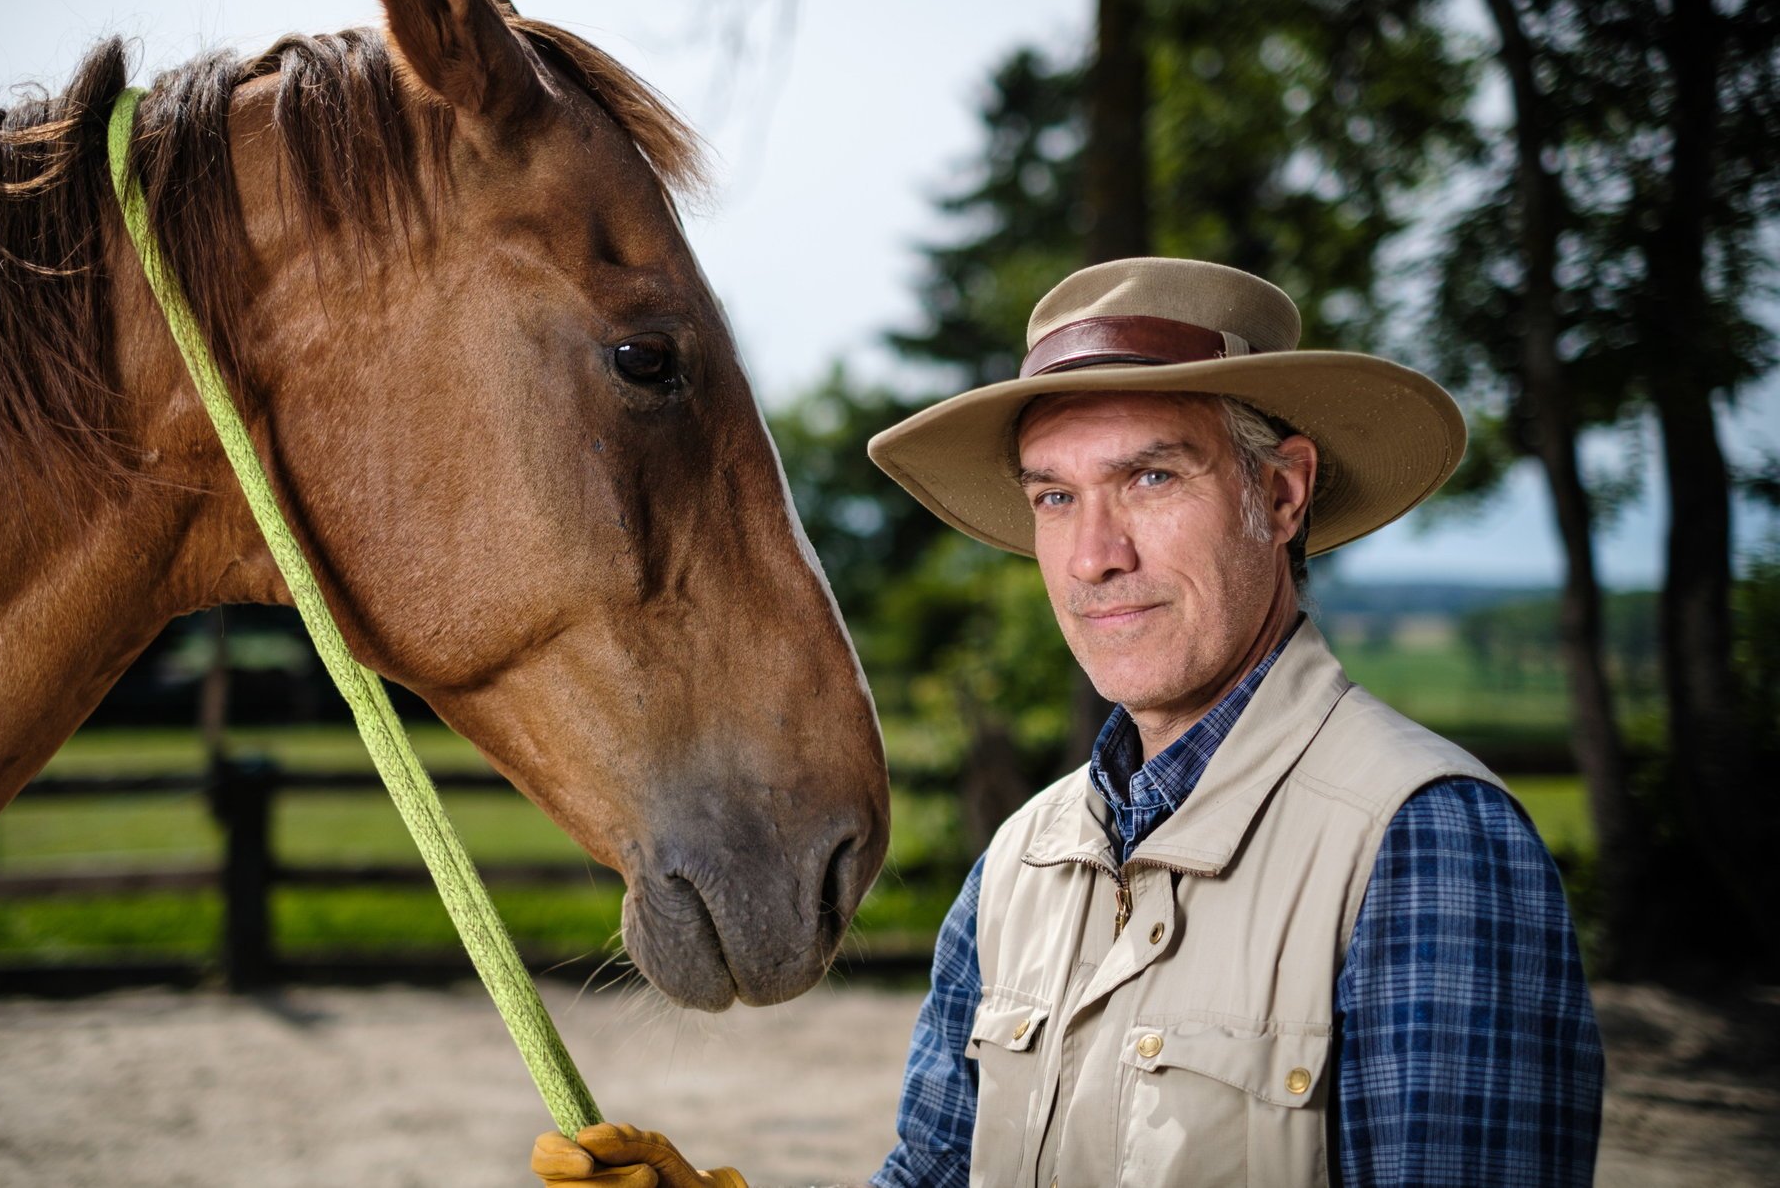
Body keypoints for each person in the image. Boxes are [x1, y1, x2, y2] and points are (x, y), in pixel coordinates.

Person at [531, 259, 1604, 1187]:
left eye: (1147, 476)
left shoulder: (1423, 843)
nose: (1093, 555)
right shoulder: (1021, 862)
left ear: (1280, 496)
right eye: (1052, 497)